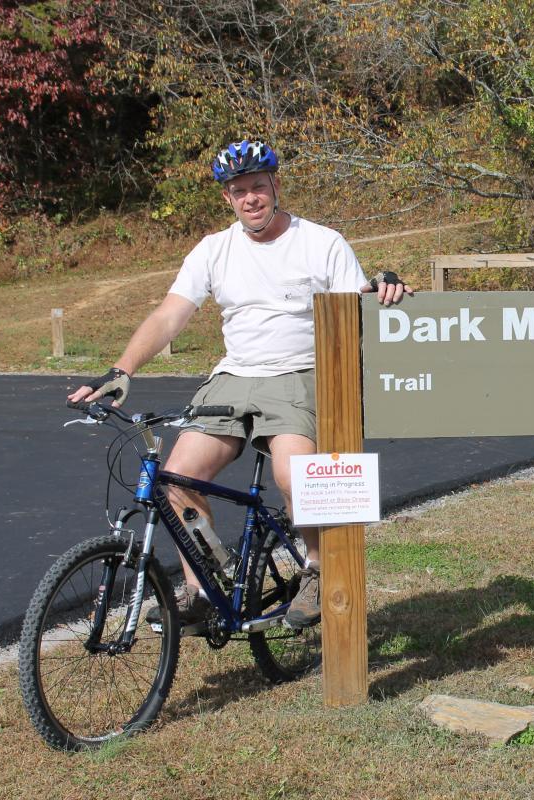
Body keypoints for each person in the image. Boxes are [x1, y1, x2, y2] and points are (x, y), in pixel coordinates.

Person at [69, 139, 412, 628]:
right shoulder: (214, 249)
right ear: (227, 198)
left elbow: (355, 302)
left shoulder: (321, 242)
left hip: (300, 374)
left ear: (275, 186)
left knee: (296, 476)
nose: (250, 198)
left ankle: (316, 569)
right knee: (176, 479)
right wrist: (123, 369)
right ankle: (203, 584)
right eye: (239, 191)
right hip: (233, 377)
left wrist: (384, 286)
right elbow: (171, 314)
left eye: (258, 186)